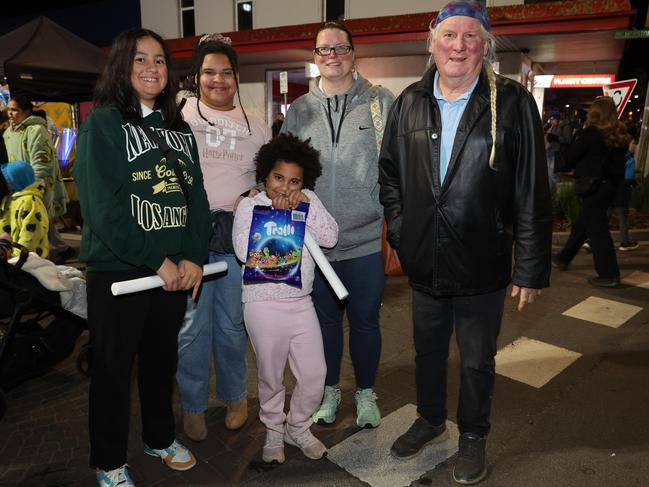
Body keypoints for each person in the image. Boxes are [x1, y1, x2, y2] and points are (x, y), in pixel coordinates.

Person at [378, 2, 552, 484]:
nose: (459, 46)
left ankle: (473, 435)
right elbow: (389, 174)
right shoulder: (409, 100)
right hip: (425, 261)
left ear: (485, 46)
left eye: (470, 37)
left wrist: (530, 267)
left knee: (477, 360)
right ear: (431, 42)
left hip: (483, 260)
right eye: (449, 35)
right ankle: (431, 419)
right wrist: (402, 228)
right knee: (427, 351)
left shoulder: (514, 103)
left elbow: (532, 189)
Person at [74, 28, 210, 486]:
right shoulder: (104, 122)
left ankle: (159, 437)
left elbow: (196, 199)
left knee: (160, 361)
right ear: (121, 67)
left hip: (171, 270)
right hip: (119, 270)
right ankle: (108, 461)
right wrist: (158, 261)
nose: (152, 69)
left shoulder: (179, 128)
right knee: (112, 370)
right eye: (140, 60)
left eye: (159, 60)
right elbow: (103, 209)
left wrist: (192, 257)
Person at [281, 21, 395, 429]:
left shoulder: (381, 101)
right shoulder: (299, 109)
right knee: (325, 323)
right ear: (314, 57)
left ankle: (365, 393)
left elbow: (397, 166)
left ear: (353, 53)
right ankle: (330, 391)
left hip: (365, 237)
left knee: (365, 320)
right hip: (313, 242)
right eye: (323, 50)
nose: (332, 56)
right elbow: (282, 166)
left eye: (340, 48)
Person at [176, 33, 271, 441]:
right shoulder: (179, 112)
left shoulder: (256, 122)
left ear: (237, 76)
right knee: (192, 327)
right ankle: (194, 405)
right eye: (209, 72)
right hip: (190, 237)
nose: (218, 80)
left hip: (237, 237)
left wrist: (260, 191)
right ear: (196, 76)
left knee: (233, 325)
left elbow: (268, 175)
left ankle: (236, 397)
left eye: (226, 72)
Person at [232, 133, 338, 463]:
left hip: (301, 303)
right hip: (262, 305)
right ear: (265, 175)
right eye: (279, 177)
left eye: (295, 181)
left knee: (315, 374)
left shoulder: (307, 201)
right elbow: (242, 251)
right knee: (270, 375)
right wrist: (276, 216)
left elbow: (331, 237)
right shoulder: (250, 206)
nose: (285, 186)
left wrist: (303, 206)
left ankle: (298, 426)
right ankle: (274, 430)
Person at [552, 96, 631, 288]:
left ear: (595, 112)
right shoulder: (619, 135)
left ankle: (609, 274)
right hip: (609, 188)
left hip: (592, 189)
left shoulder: (591, 133)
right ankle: (564, 257)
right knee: (584, 223)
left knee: (598, 231)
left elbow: (570, 158)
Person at [3, 95, 72, 263]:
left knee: (38, 218)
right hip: (17, 184)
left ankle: (38, 254)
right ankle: (56, 249)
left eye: (15, 110)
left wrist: (33, 184)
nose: (11, 113)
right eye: (9, 110)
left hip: (34, 184)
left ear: (27, 111)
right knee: (34, 220)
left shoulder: (36, 130)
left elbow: (42, 161)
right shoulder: (9, 132)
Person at [0, 161, 49, 258]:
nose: (4, 182)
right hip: (12, 255)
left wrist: (19, 256)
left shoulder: (31, 201)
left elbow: (31, 235)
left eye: (6, 179)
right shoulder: (11, 199)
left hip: (29, 258)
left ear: (16, 180)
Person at [613, 134, 639, 251]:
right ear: (628, 144)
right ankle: (624, 242)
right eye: (634, 143)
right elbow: (628, 178)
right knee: (623, 218)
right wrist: (634, 183)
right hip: (622, 192)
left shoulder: (617, 155)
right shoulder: (630, 159)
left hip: (611, 190)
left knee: (605, 216)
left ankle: (590, 240)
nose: (635, 146)